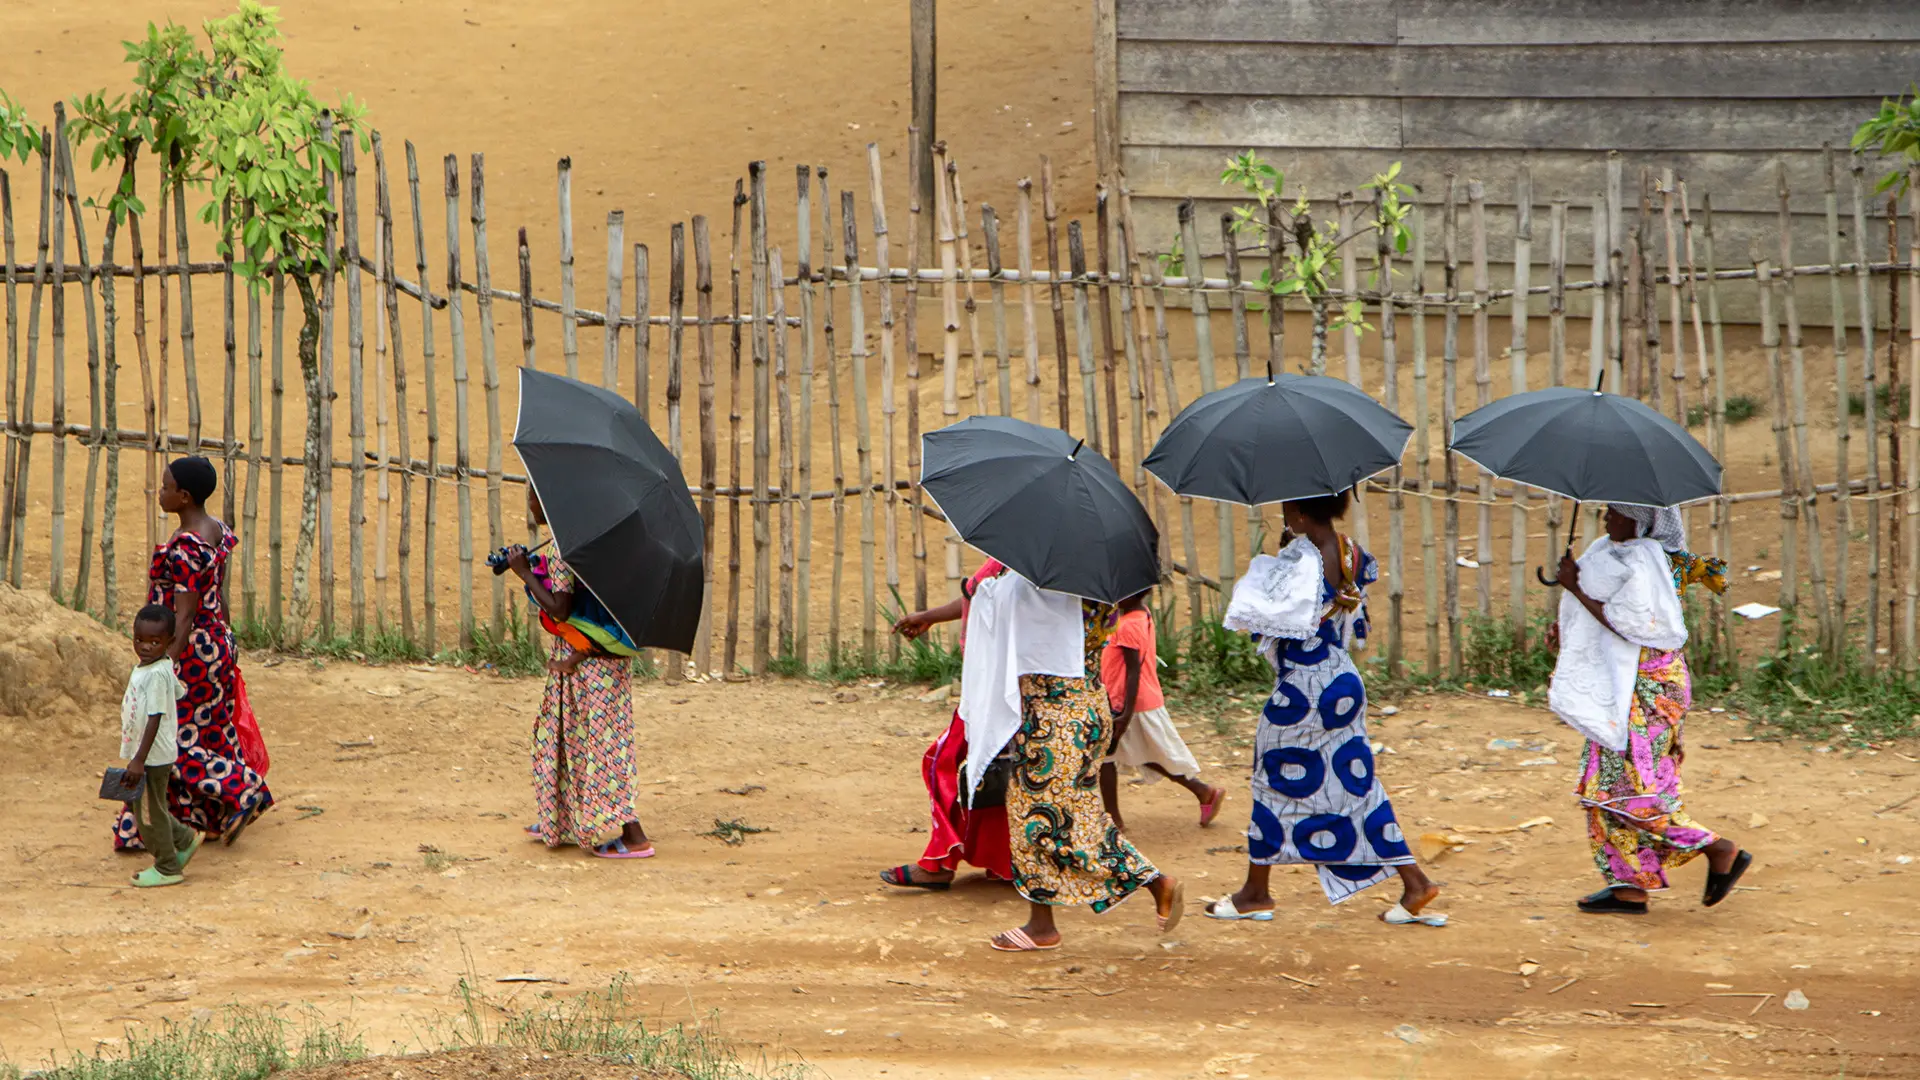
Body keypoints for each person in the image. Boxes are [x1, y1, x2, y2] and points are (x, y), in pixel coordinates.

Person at [1208, 492, 1443, 926]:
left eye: (1285, 507)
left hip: (1304, 690)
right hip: (1341, 680)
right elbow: (1339, 610)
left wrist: (1277, 569)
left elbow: (1273, 622)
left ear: (1297, 512)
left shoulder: (1302, 561)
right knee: (1356, 784)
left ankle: (1255, 893)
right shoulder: (1349, 551)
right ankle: (1415, 883)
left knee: (1270, 779)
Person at [963, 569, 1184, 952]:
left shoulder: (1035, 585)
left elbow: (994, 616)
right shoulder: (1097, 583)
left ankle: (1146, 883)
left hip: (1053, 717)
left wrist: (981, 587)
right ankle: (1046, 919)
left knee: (1034, 817)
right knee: (1074, 813)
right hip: (1089, 705)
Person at [1548, 503, 1750, 915]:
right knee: (1600, 789)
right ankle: (1629, 887)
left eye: (1615, 513)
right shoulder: (1609, 550)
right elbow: (1603, 618)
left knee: (1625, 791)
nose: (1606, 520)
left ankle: (1716, 847)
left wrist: (1575, 589)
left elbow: (1635, 626)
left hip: (1649, 691)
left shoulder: (1649, 562)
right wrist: (1568, 628)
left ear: (1642, 521)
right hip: (1620, 685)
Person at [114, 456, 272, 852]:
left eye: (166, 487)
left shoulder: (185, 547)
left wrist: (166, 664)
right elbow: (213, 596)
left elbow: (183, 616)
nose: (160, 492)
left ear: (184, 496)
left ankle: (243, 789)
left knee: (171, 740)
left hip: (193, 651)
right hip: (217, 644)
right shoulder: (213, 529)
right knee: (212, 731)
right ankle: (208, 818)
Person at [505, 485, 653, 859]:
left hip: (588, 661)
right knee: (567, 732)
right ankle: (561, 818)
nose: (530, 506)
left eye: (535, 499)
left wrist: (525, 573)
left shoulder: (563, 549)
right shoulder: (592, 540)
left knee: (601, 745)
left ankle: (634, 836)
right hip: (601, 655)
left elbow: (560, 609)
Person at [879, 557, 1015, 889]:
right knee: (997, 772)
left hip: (998, 686)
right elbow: (976, 595)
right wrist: (929, 617)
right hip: (991, 683)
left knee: (944, 763)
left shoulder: (1026, 565)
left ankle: (940, 862)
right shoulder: (1009, 557)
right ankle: (1005, 863)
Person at [1097, 589, 1224, 833]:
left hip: (1128, 704)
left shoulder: (1127, 625)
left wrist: (1124, 713)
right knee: (1141, 754)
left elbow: (1133, 671)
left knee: (1109, 758)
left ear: (1132, 595)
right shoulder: (1140, 615)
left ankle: (1114, 821)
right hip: (1133, 701)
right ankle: (1202, 791)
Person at [115, 603, 200, 888]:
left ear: (170, 641)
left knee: (149, 815)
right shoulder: (153, 667)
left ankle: (167, 866)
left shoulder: (157, 674)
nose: (145, 646)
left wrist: (138, 760)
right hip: (147, 753)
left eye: (155, 641)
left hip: (152, 756)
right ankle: (185, 839)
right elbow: (172, 695)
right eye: (140, 639)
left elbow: (154, 717)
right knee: (151, 806)